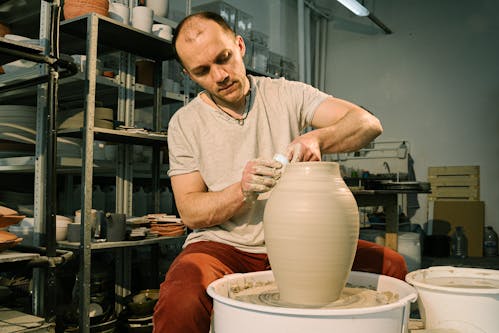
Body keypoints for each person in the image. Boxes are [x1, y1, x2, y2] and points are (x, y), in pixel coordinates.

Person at [153, 11, 407, 333]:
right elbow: (190, 212)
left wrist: (317, 137)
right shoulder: (185, 123)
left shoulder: (286, 94)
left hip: (301, 239)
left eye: (224, 58)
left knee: (392, 266)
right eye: (203, 71)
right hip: (225, 246)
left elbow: (368, 123)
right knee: (181, 300)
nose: (220, 76)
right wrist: (241, 190)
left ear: (240, 45)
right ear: (190, 75)